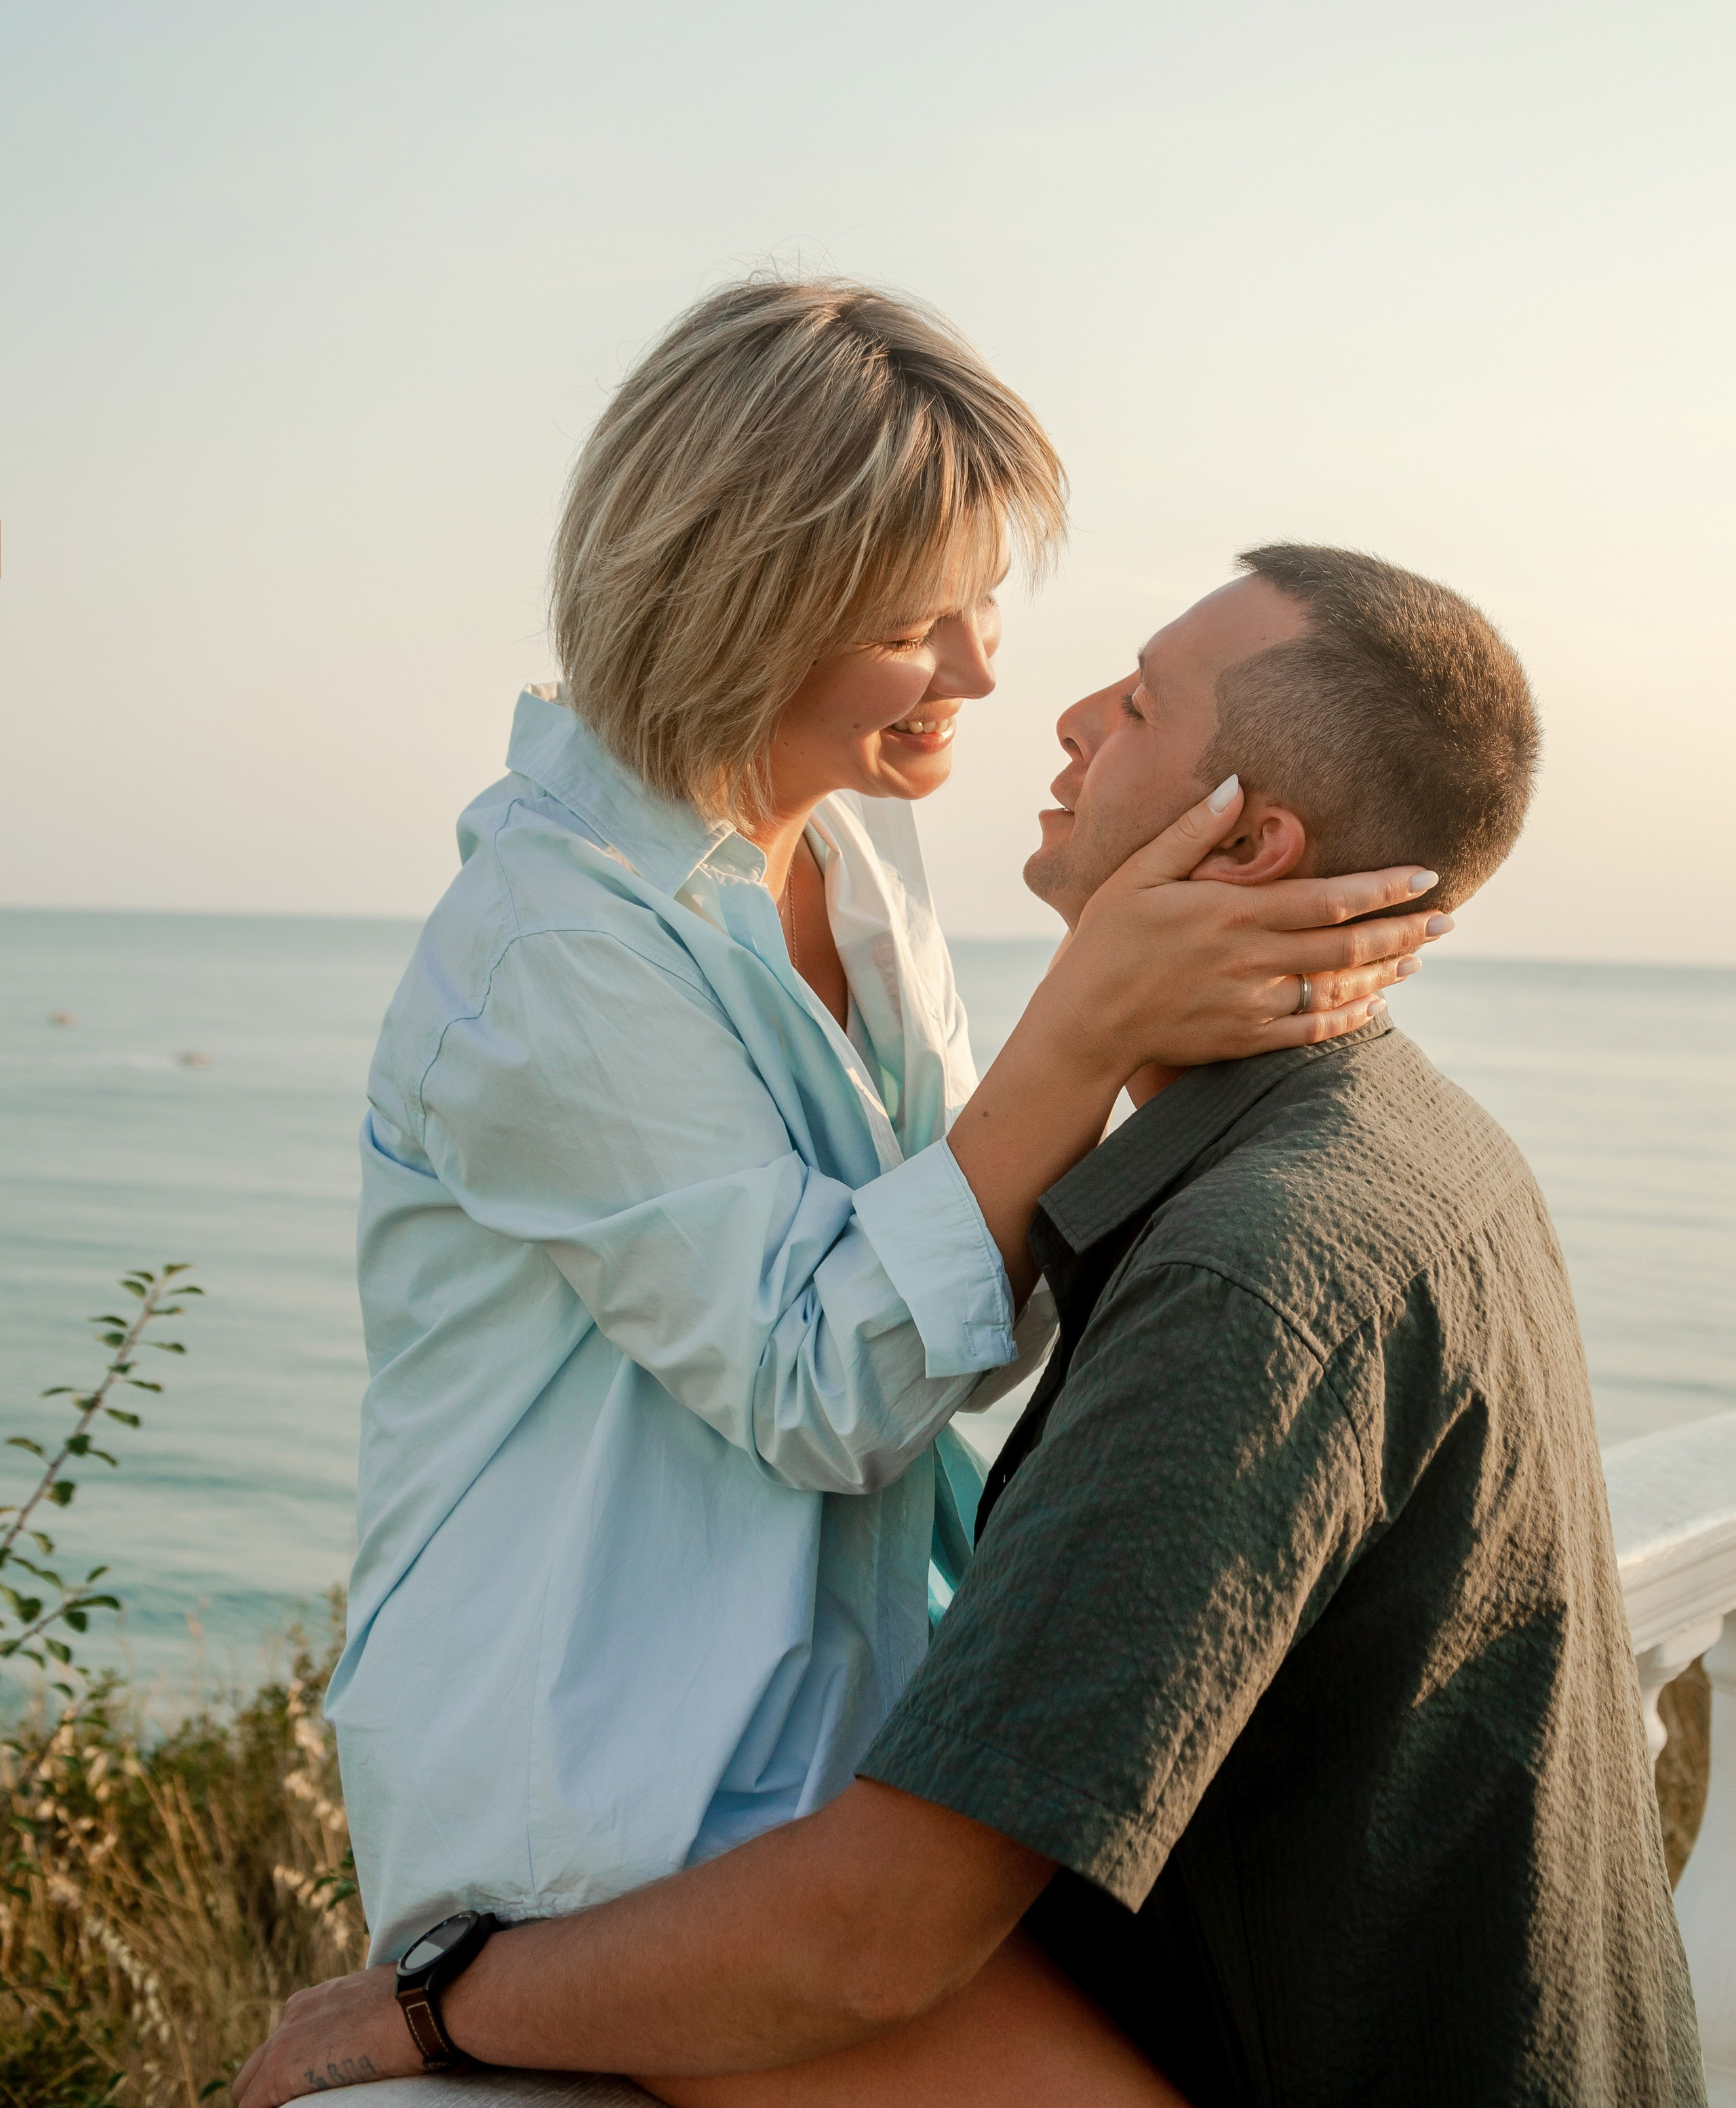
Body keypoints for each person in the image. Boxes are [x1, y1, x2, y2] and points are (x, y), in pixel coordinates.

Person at [237, 543, 1703, 2108]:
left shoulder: (1253, 1267)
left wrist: (430, 2013)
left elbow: (875, 1936)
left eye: (1135, 704)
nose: (1047, 709)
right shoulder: (1416, 1145)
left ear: (1249, 842)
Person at [317, 281, 1434, 2097]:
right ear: (748, 604)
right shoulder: (545, 954)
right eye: (927, 622)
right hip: (617, 1816)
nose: (988, 672)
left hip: (846, 1770)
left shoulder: (857, 843)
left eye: (988, 599)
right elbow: (825, 1385)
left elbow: (950, 1317)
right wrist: (1084, 1037)